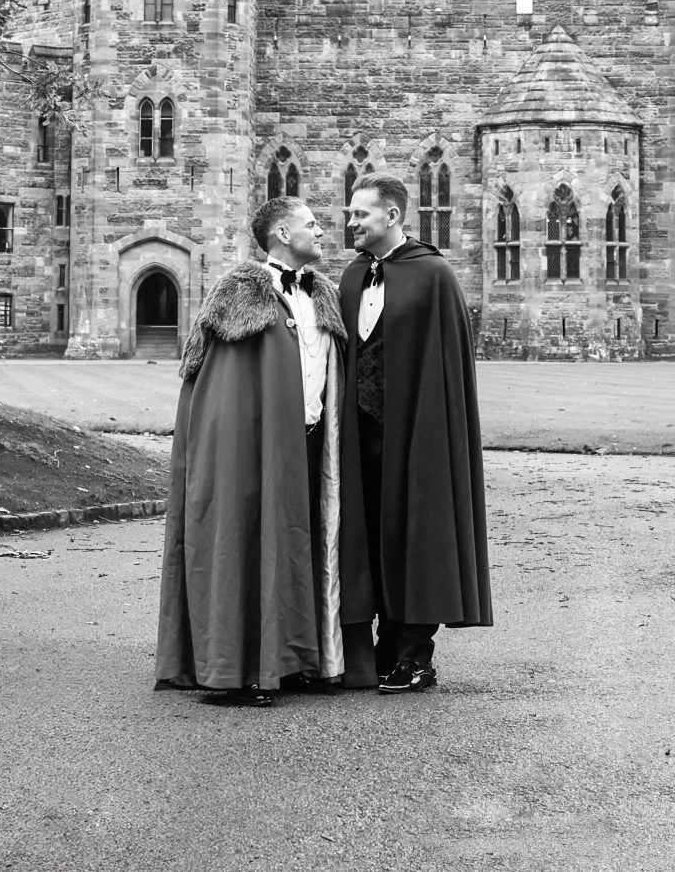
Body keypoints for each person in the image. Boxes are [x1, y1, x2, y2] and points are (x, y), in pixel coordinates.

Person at [155, 195, 372, 705]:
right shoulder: (240, 293)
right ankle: (236, 667)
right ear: (280, 233)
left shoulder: (321, 293)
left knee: (298, 546)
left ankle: (294, 659)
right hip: (248, 445)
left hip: (311, 444)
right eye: (311, 225)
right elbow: (219, 391)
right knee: (243, 539)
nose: (322, 232)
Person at [340, 176, 492, 693]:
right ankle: (381, 649)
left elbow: (447, 368)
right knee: (371, 537)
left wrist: (429, 433)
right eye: (349, 214)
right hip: (360, 438)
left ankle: (415, 655)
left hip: (416, 433)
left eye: (361, 214)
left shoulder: (433, 274)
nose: (351, 223)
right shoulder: (352, 275)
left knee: (416, 535)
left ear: (393, 216)